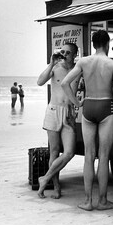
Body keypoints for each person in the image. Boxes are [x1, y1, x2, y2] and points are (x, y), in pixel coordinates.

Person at [62, 30, 113, 211]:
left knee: (89, 156)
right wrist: (111, 89)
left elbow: (65, 83)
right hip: (106, 107)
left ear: (93, 44)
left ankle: (88, 201)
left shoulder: (83, 62)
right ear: (108, 44)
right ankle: (103, 201)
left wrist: (76, 103)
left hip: (88, 107)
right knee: (103, 157)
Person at [36, 43, 80, 199]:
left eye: (69, 52)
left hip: (69, 114)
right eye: (63, 52)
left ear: (75, 54)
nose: (65, 54)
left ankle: (45, 178)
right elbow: (40, 82)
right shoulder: (55, 68)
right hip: (53, 111)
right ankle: (55, 186)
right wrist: (51, 63)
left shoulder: (78, 69)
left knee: (69, 152)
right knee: (54, 151)